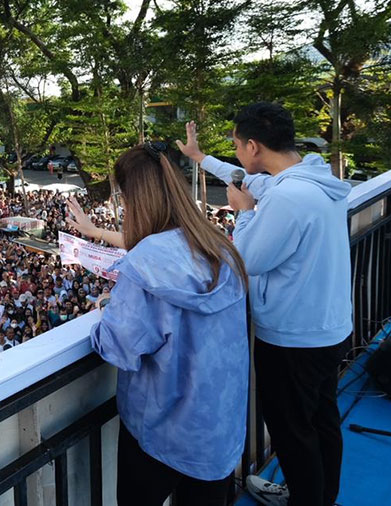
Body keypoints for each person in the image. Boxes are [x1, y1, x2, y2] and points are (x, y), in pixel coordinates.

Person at [177, 102, 352, 506]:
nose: (237, 154)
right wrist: (200, 158)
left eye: (238, 146)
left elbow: (247, 258)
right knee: (323, 420)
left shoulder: (287, 198)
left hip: (293, 339)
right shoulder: (311, 179)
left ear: (253, 146)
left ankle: (306, 500)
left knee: (293, 432)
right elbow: (245, 180)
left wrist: (243, 214)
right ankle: (322, 496)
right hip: (328, 327)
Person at [69, 143, 249, 506]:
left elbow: (118, 346)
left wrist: (107, 308)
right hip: (217, 430)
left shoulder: (143, 264)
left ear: (133, 198)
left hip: (160, 431)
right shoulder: (220, 248)